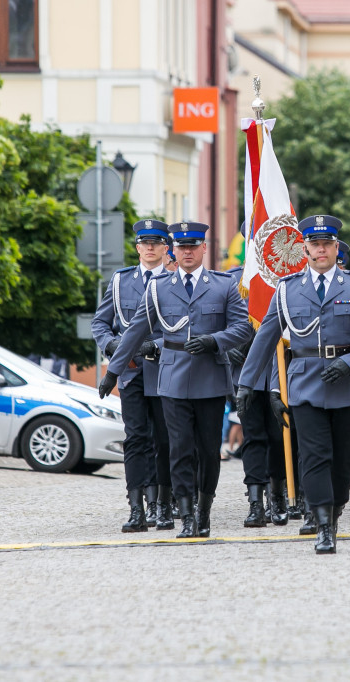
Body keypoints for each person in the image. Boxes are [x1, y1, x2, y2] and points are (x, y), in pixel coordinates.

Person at [236, 215, 350, 554]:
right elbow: (266, 338)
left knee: (343, 460)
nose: (321, 249)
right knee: (314, 456)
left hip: (345, 385)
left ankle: (335, 509)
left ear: (336, 247)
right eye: (315, 244)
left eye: (327, 244)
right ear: (305, 248)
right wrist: (247, 384)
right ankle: (322, 524)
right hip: (304, 383)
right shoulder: (288, 289)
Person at [99, 221, 253, 539]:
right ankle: (185, 515)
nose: (187, 252)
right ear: (175, 250)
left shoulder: (224, 285)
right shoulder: (158, 287)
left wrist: (215, 341)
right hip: (171, 376)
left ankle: (203, 510)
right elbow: (136, 331)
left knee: (208, 450)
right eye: (182, 247)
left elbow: (243, 328)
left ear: (203, 249)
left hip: (209, 376)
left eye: (193, 247)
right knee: (179, 448)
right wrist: (113, 371)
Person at [91, 219, 172, 533]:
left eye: (156, 242)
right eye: (144, 243)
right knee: (136, 439)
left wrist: (159, 344)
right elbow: (100, 323)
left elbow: (187, 326)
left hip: (165, 369)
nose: (150, 248)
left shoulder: (176, 281)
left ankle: (163, 505)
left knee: (163, 440)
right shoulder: (121, 280)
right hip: (131, 372)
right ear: (137, 247)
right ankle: (138, 508)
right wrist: (112, 345)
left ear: (166, 248)